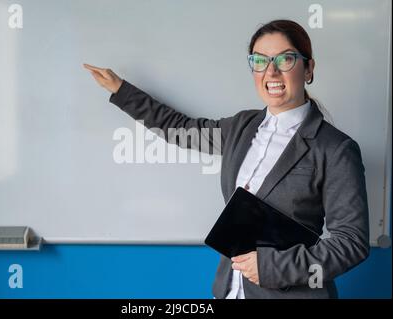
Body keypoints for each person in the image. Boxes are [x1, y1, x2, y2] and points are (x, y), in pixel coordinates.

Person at [83, 19, 370, 299]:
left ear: (308, 69)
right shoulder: (242, 127)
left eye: (285, 60)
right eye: (259, 61)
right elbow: (182, 129)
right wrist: (122, 91)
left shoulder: (336, 149)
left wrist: (273, 267)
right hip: (229, 289)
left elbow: (351, 243)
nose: (271, 72)